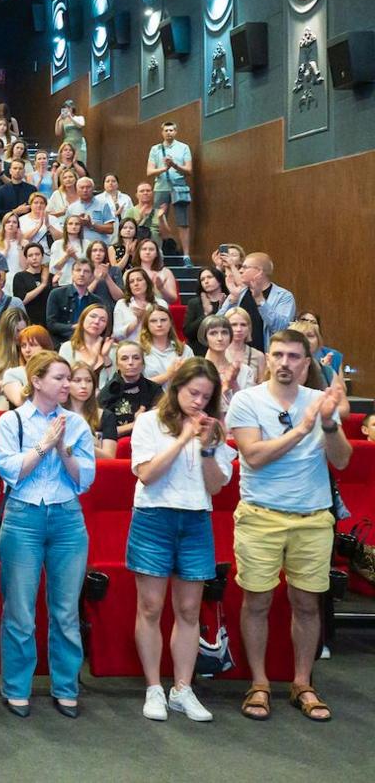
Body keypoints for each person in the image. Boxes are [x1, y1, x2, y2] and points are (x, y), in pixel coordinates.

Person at [226, 328, 351, 723]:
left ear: (305, 362)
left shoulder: (320, 401)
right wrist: (302, 428)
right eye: (277, 354)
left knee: (307, 603)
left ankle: (302, 683)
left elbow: (343, 460)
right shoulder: (247, 400)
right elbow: (254, 456)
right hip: (261, 515)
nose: (284, 363)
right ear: (267, 359)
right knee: (257, 602)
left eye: (294, 356)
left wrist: (328, 425)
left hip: (312, 517)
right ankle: (259, 683)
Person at [128, 358, 234, 723]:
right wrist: (183, 439)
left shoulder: (214, 430)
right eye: (193, 393)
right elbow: (147, 474)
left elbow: (217, 486)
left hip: (195, 519)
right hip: (154, 517)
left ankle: (182, 688)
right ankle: (154, 687)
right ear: (176, 389)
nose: (199, 402)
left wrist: (205, 447)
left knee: (189, 609)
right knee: (151, 607)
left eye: (206, 396)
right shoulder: (148, 422)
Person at [0, 352, 95, 719]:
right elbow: (10, 472)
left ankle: (66, 686)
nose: (68, 385)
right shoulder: (12, 421)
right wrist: (43, 445)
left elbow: (85, 480)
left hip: (67, 518)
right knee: (20, 610)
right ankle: (17, 687)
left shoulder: (77, 424)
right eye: (60, 378)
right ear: (37, 381)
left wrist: (64, 450)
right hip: (23, 517)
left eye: (69, 378)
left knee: (66, 611)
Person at [222, 252, 296, 346]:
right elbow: (217, 324)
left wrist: (260, 299)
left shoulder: (284, 296)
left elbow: (281, 329)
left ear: (259, 271)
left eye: (245, 267)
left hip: (267, 356)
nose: (240, 270)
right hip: (236, 355)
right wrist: (232, 299)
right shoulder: (238, 293)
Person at [145, 120, 193, 255]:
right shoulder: (156, 149)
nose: (169, 133)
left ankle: (186, 255)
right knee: (157, 221)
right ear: (162, 132)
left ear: (176, 132)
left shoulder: (184, 147)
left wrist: (174, 165)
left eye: (171, 130)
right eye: (166, 130)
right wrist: (165, 168)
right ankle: (157, 253)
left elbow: (189, 170)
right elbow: (149, 171)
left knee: (183, 222)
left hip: (179, 187)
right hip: (161, 187)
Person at [44, 260, 104, 345]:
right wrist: (74, 327)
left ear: (91, 276)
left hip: (87, 343)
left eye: (86, 271)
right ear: (72, 273)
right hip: (61, 343)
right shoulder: (56, 294)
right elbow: (51, 324)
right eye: (78, 270)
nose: (82, 274)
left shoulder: (96, 301)